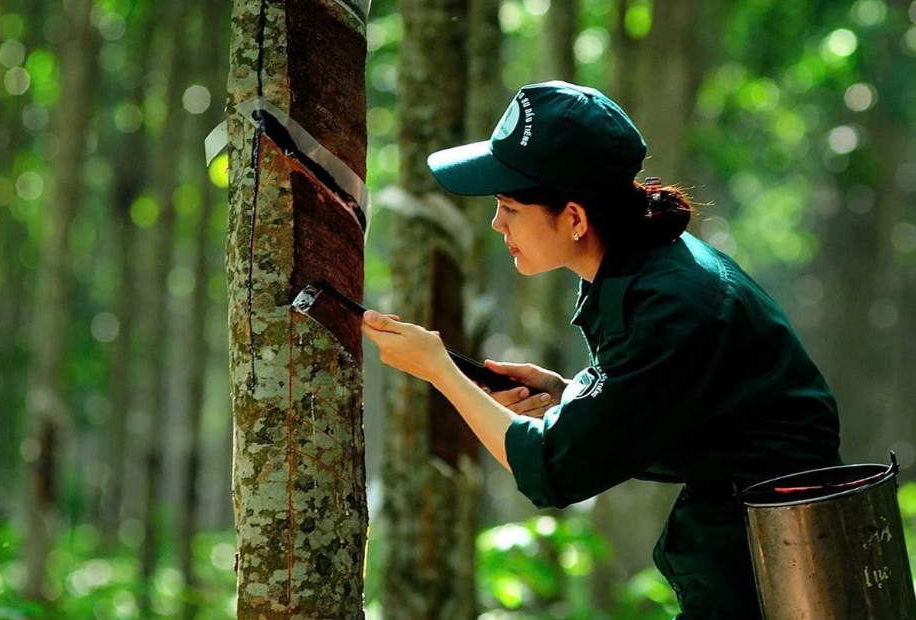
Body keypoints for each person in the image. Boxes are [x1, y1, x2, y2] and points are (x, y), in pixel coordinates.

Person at [360, 81, 841, 620]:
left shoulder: (673, 302)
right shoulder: (642, 264)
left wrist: (439, 371)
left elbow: (551, 471)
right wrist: (566, 395)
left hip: (783, 568)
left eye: (509, 207)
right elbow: (668, 406)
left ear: (573, 219)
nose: (497, 224)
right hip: (747, 553)